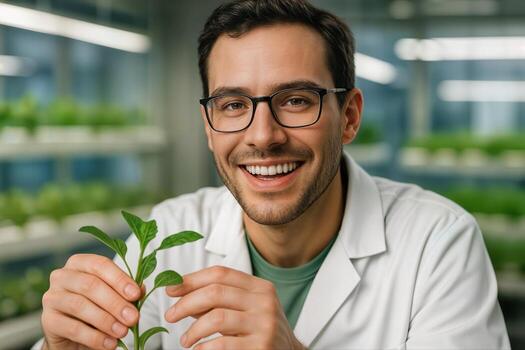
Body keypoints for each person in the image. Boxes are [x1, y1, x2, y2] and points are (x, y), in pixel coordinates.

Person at [34, 0, 510, 349]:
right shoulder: (169, 233)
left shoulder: (438, 241)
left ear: (349, 117)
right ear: (208, 125)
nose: (263, 135)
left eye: (296, 100)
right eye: (234, 104)